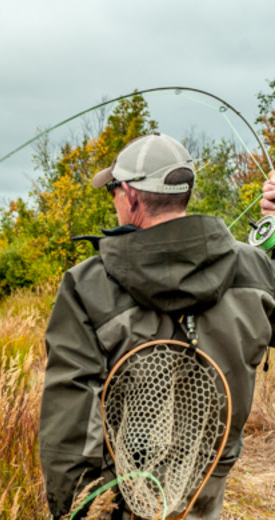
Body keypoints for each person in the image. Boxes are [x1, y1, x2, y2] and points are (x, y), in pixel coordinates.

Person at [39, 133, 275, 519]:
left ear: (130, 195)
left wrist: (80, 511)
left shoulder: (87, 285)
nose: (114, 198)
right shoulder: (256, 268)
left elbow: (70, 432)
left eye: (113, 188)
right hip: (211, 480)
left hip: (123, 497)